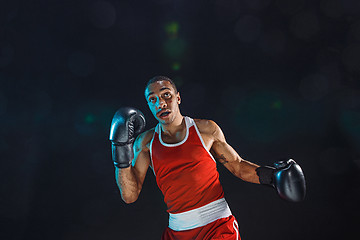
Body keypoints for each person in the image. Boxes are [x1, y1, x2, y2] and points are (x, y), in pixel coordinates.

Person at [109, 76, 306, 240]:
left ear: (178, 98)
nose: (160, 103)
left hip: (217, 226)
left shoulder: (205, 130)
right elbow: (129, 195)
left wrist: (273, 177)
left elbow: (237, 166)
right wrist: (120, 150)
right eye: (153, 99)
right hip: (177, 232)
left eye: (166, 95)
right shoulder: (145, 143)